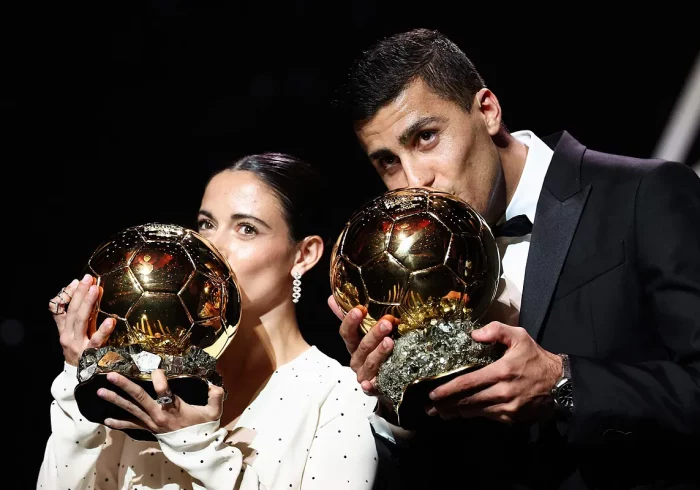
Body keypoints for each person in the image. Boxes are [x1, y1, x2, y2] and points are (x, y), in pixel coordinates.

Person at [330, 28, 700, 489]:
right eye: (387, 162)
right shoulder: (409, 278)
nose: (413, 180)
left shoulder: (647, 194)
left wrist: (564, 383)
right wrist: (393, 398)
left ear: (487, 111)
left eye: (426, 137)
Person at [38, 153, 380, 490]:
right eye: (206, 224)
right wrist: (76, 375)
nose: (211, 247)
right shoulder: (147, 370)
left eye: (246, 229)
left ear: (304, 255)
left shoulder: (336, 395)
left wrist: (195, 446)